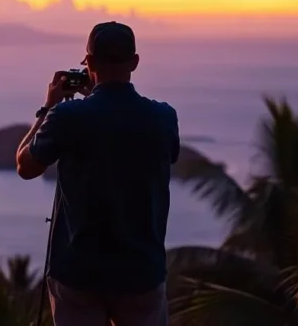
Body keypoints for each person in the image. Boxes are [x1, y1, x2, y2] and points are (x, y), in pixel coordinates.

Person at [15, 21, 180, 326]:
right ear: (135, 62)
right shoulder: (163, 118)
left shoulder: (66, 117)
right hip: (141, 270)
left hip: (78, 273)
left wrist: (48, 107)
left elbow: (26, 166)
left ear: (88, 63)